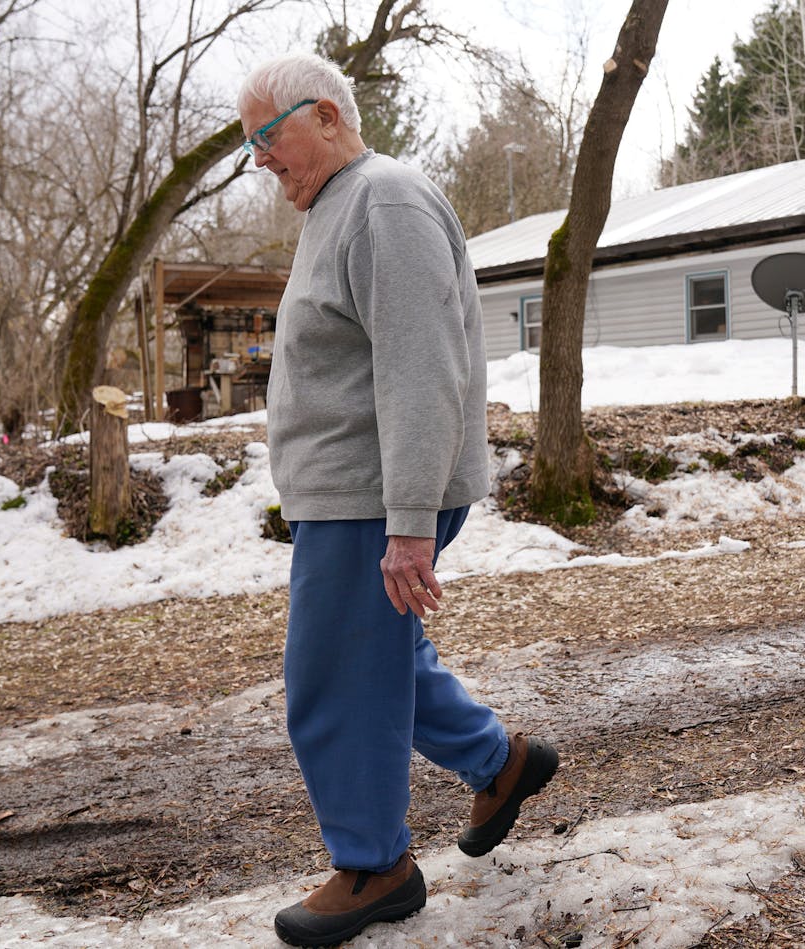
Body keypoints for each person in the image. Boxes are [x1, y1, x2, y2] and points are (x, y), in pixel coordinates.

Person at [237, 54, 560, 947]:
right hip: (350, 496)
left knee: (334, 679)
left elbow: (423, 369)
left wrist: (409, 521)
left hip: (375, 499)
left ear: (329, 117)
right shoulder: (340, 206)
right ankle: (502, 765)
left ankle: (375, 865)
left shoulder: (384, 200)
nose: (260, 157)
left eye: (269, 134)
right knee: (379, 659)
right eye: (249, 143)